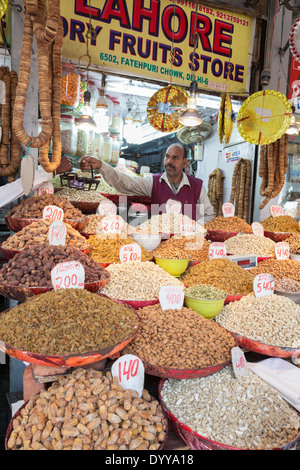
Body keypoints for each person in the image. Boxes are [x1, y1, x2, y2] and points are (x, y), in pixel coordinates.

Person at [79, 142, 215, 223]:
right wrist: (102, 166)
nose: (169, 162)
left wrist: (195, 228)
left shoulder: (197, 186)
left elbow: (209, 214)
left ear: (185, 163)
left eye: (175, 158)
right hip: (160, 245)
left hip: (190, 245)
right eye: (167, 157)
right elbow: (126, 183)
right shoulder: (153, 182)